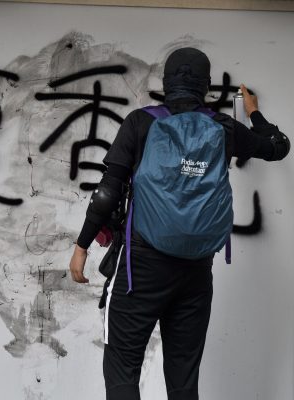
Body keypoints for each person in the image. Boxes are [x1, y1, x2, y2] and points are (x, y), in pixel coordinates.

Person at [68, 47, 290, 400]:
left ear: (167, 82)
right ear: (205, 85)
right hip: (195, 271)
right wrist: (255, 113)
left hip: (139, 271)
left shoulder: (140, 123)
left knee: (123, 370)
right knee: (183, 381)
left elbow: (107, 193)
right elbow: (279, 147)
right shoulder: (224, 128)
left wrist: (81, 248)